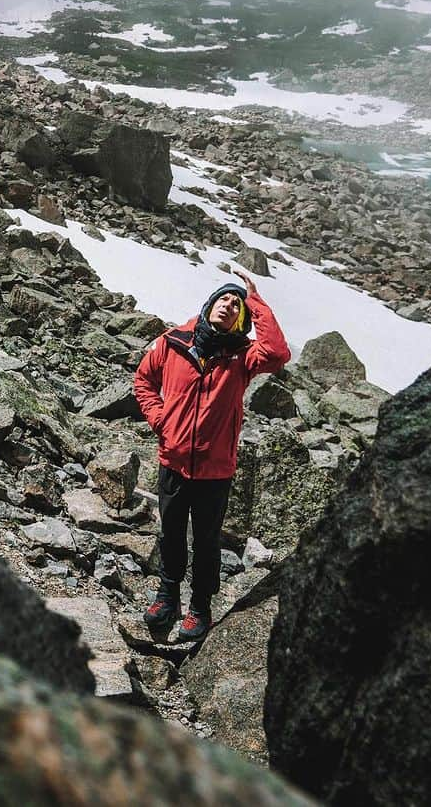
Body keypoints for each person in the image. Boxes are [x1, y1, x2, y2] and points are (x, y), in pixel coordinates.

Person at [133, 270, 290, 641]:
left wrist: (255, 302)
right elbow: (143, 380)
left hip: (214, 470)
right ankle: (167, 595)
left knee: (206, 541)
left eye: (236, 305)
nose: (229, 305)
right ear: (209, 305)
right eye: (224, 299)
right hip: (173, 458)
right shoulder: (172, 343)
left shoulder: (242, 357)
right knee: (171, 532)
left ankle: (200, 606)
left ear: (241, 319)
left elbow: (278, 353)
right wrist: (160, 419)